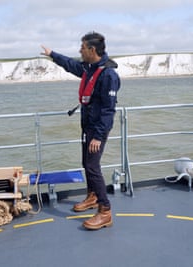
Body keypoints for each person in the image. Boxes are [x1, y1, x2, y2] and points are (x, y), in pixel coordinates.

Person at [41, 32, 120, 230]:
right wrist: (53, 54)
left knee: (93, 166)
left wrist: (99, 136)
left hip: (97, 129)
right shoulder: (89, 68)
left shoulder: (108, 75)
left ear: (92, 50)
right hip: (87, 125)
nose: (80, 50)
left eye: (82, 47)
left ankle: (105, 211)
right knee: (86, 162)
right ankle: (92, 196)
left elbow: (108, 110)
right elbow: (71, 64)